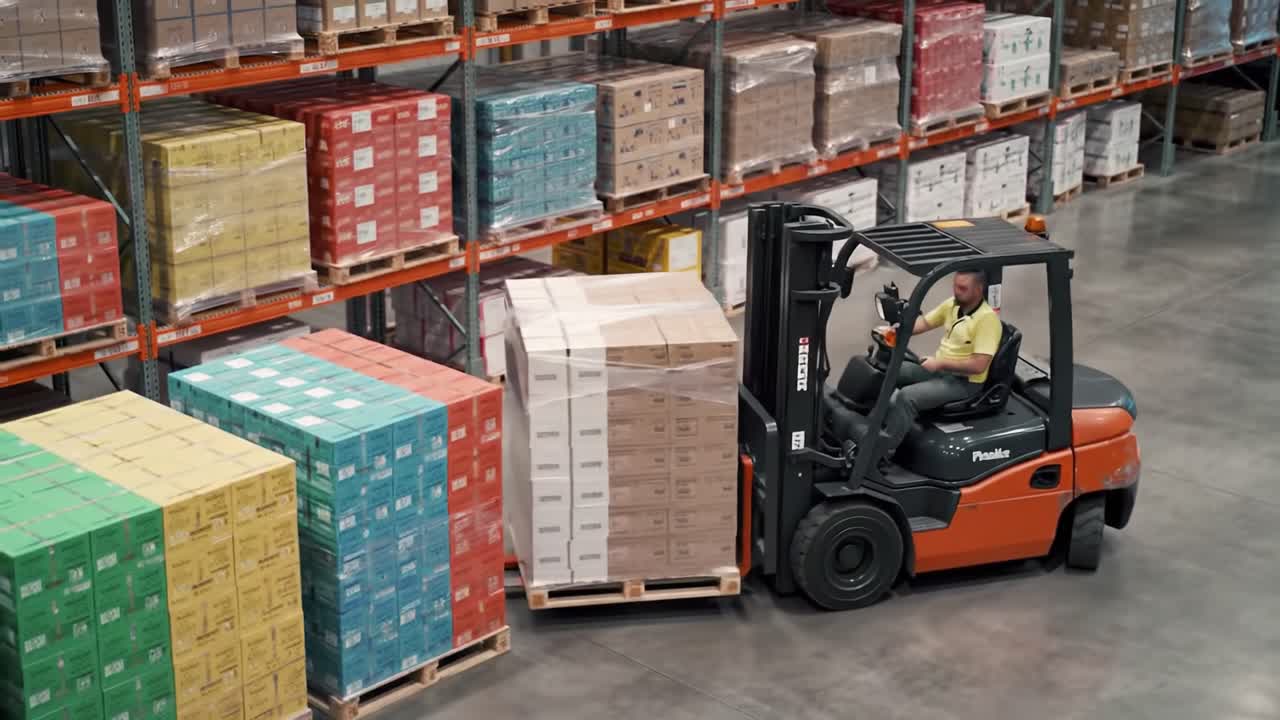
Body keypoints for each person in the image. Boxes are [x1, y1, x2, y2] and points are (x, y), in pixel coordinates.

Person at [879, 270, 1002, 461]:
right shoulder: (952, 305)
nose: (957, 292)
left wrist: (940, 363)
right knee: (888, 371)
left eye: (963, 288)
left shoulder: (987, 320)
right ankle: (871, 426)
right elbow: (924, 323)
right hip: (940, 371)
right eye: (955, 286)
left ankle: (881, 453)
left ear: (979, 289)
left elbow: (979, 365)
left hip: (964, 383)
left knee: (907, 397)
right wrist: (895, 330)